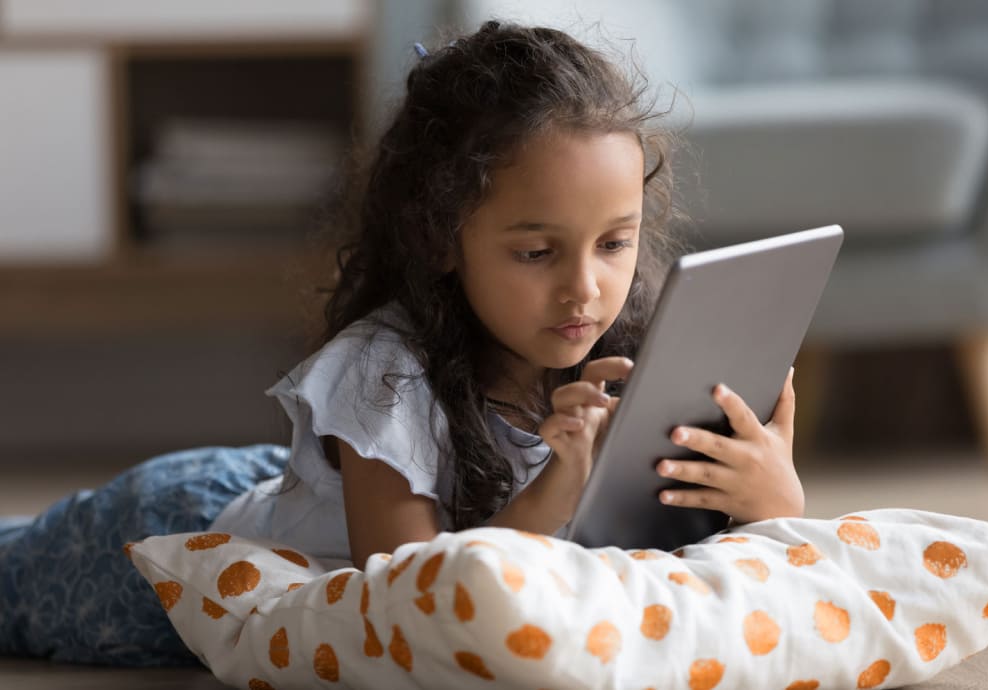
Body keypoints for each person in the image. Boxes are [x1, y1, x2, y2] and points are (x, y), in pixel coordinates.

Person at [0, 21, 803, 667]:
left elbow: (700, 554)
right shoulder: (383, 374)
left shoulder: (631, 351)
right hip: (166, 526)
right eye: (536, 252)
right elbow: (411, 600)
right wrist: (555, 488)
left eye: (615, 243)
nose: (585, 288)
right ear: (440, 235)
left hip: (296, 486)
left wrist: (772, 499)